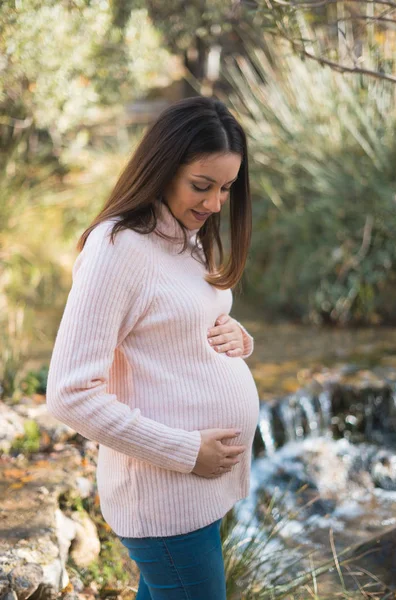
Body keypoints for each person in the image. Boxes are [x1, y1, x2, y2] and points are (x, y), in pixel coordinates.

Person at [46, 95, 260, 599]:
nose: (213, 205)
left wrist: (236, 333)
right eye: (201, 186)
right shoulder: (118, 249)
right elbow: (69, 393)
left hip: (197, 492)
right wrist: (187, 452)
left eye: (226, 189)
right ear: (162, 169)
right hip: (166, 500)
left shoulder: (185, 235)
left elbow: (175, 320)